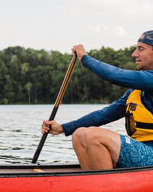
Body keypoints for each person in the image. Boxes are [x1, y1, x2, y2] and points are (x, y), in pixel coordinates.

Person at [42, 30, 153, 170]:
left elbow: (115, 75)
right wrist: (63, 128)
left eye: (140, 49)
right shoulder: (134, 93)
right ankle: (93, 187)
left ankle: (106, 189)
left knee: (94, 136)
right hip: (143, 151)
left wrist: (85, 58)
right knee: (79, 134)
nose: (134, 54)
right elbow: (103, 115)